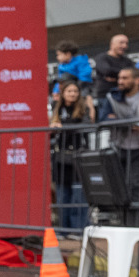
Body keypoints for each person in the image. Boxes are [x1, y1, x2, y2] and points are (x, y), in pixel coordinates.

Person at [98, 65, 139, 204]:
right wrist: (132, 124)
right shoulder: (111, 96)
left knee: (135, 183)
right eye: (119, 78)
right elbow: (104, 119)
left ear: (137, 80)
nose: (120, 81)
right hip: (118, 146)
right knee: (117, 183)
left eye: (125, 78)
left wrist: (117, 120)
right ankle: (120, 216)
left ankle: (135, 218)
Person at [48, 79, 94, 229]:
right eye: (69, 91)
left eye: (75, 91)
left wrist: (63, 126)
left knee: (78, 195)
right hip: (60, 158)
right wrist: (53, 129)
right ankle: (63, 229)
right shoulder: (56, 108)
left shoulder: (83, 108)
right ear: (63, 93)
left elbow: (86, 125)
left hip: (78, 157)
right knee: (62, 196)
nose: (73, 94)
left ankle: (79, 229)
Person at [92, 33, 133, 99]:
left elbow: (133, 73)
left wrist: (114, 76)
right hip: (105, 96)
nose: (124, 46)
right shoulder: (102, 58)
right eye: (121, 43)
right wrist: (124, 75)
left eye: (126, 43)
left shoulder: (127, 61)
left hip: (124, 96)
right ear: (112, 44)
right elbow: (107, 71)